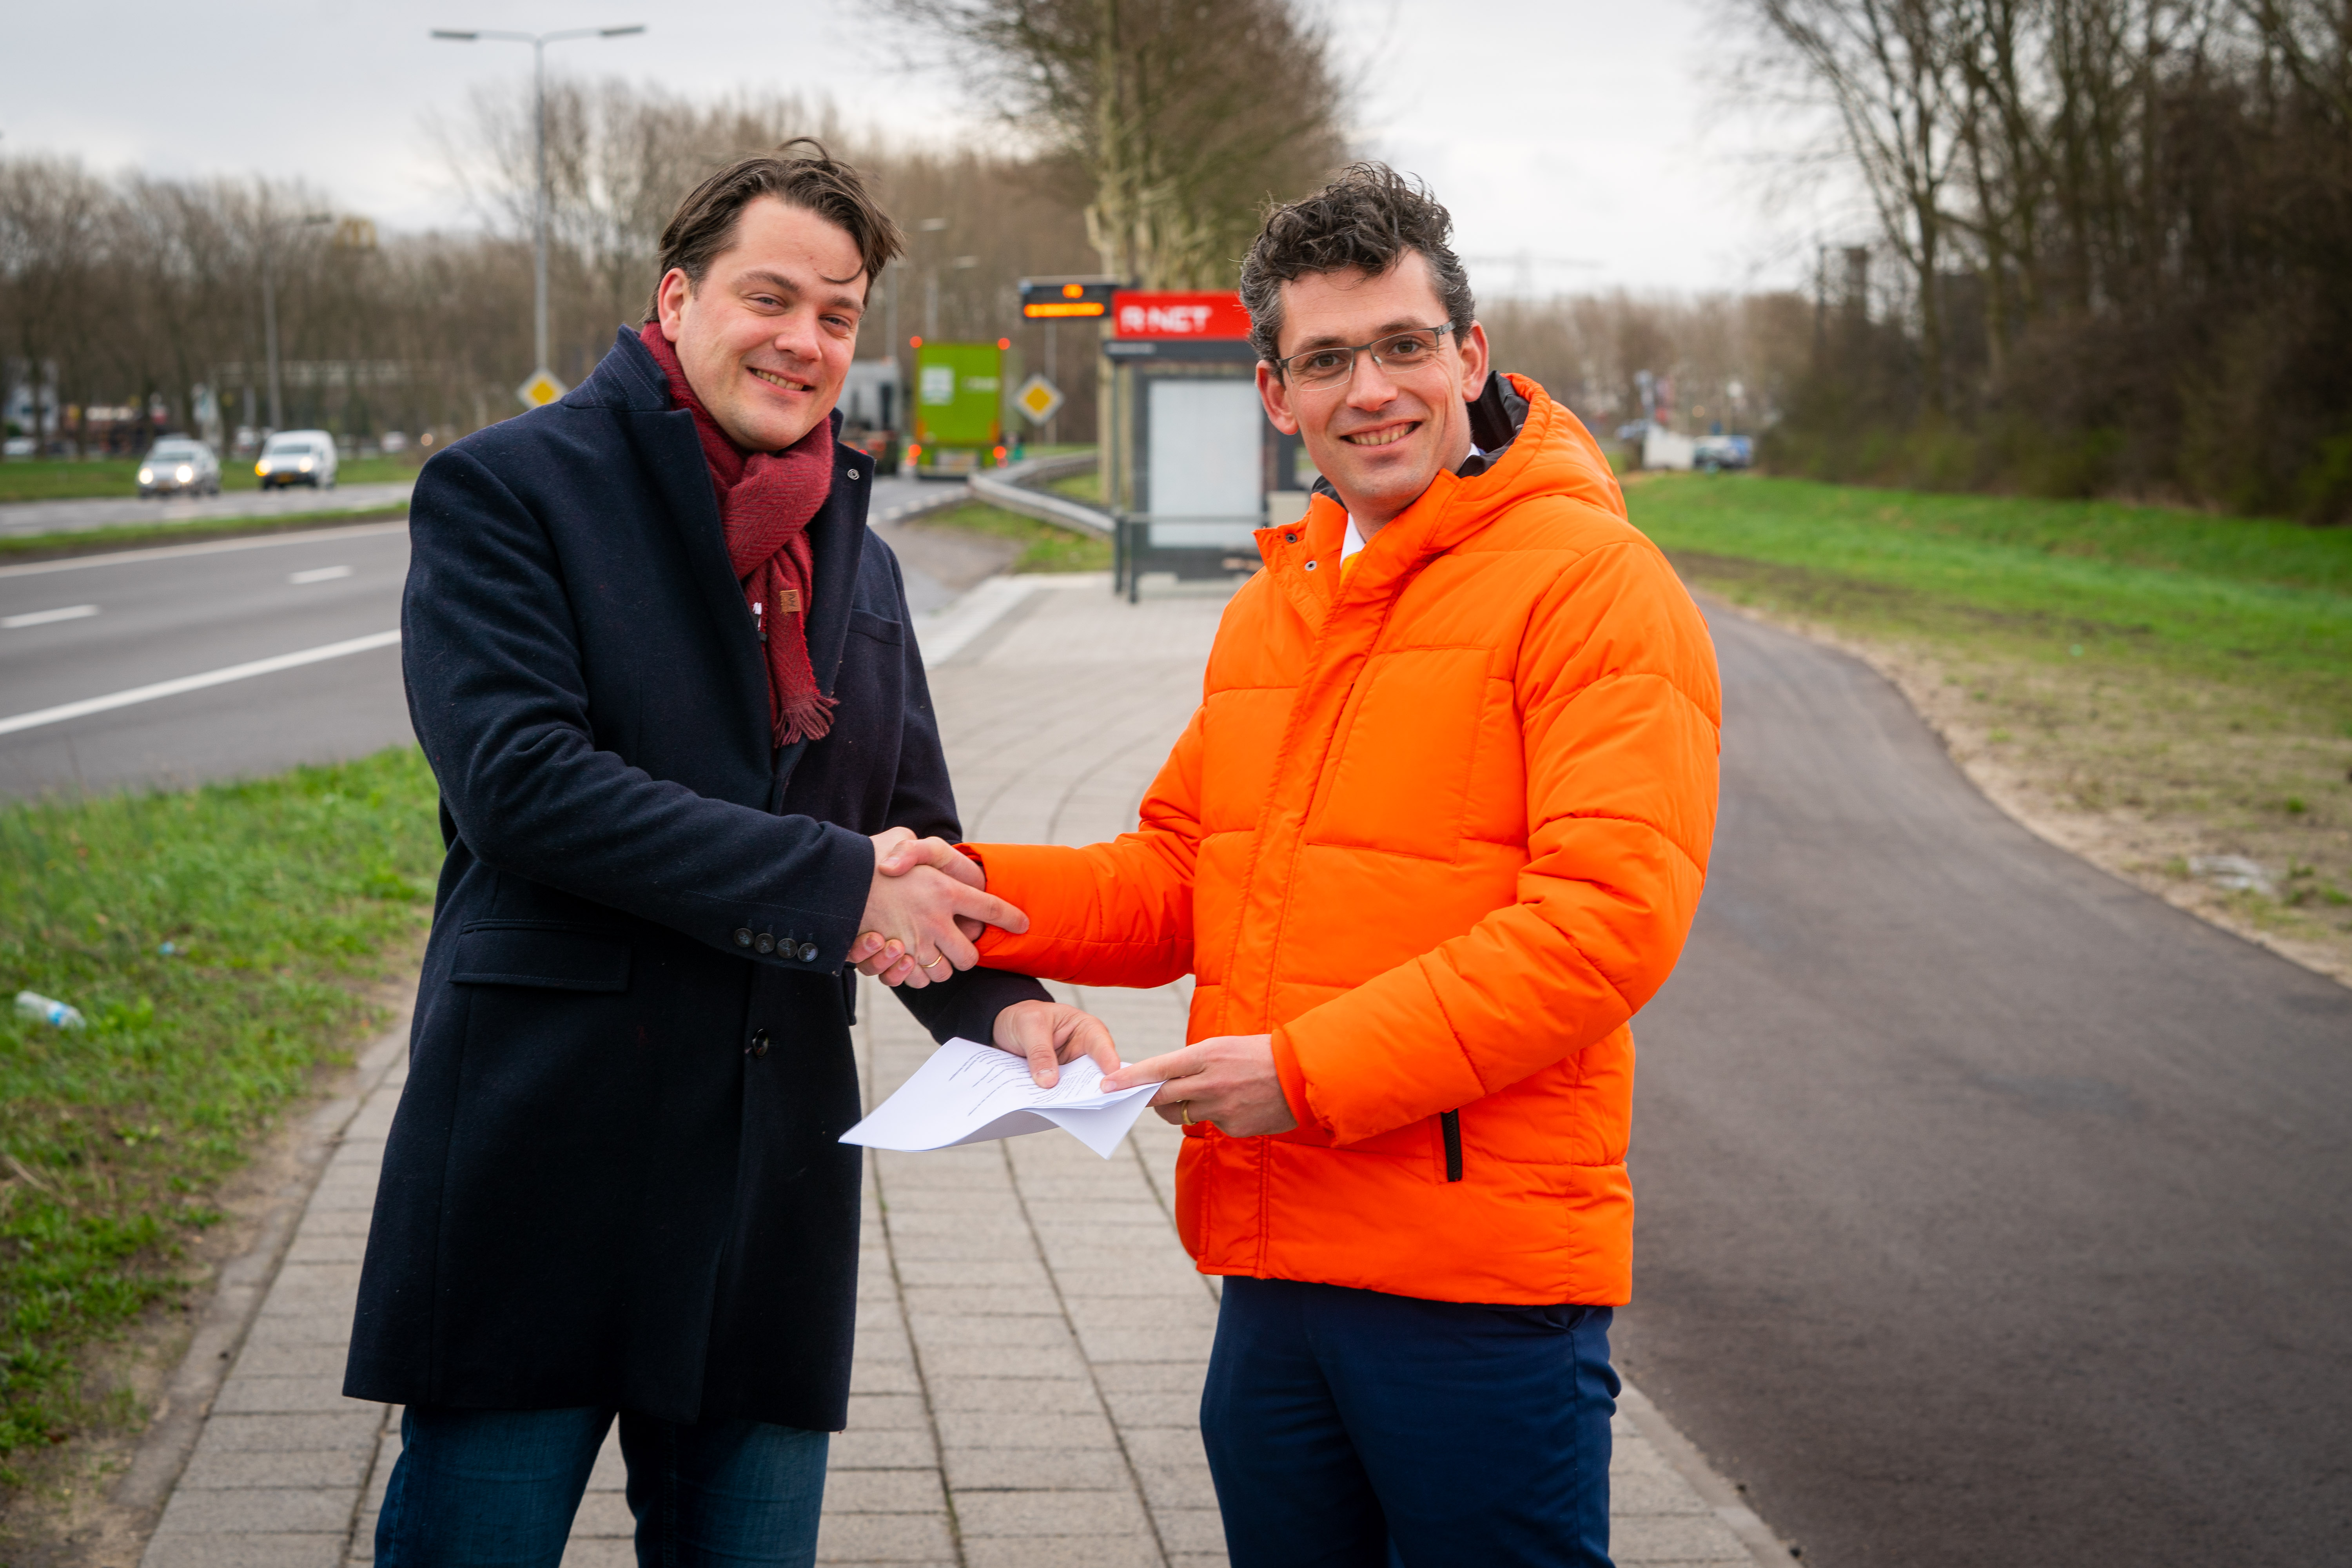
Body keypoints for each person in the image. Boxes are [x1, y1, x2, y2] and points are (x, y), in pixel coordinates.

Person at [873, 164, 1722, 1565]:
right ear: (1279, 394)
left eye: (1402, 346)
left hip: (1474, 1284)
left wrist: (1306, 1075)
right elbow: (1181, 873)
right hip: (1271, 1262)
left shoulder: (1593, 586)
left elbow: (1604, 929)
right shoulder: (1284, 604)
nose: (1371, 389)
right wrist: (959, 878)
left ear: (1470, 357)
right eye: (1328, 359)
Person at [345, 144, 1117, 1566]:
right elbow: (524, 788)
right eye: (773, 297)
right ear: (679, 295)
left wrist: (1002, 1008)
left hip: (770, 1185)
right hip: (547, 1155)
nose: (805, 340)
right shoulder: (509, 491)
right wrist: (841, 887)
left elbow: (916, 837)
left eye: (838, 316)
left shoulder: (856, 551)